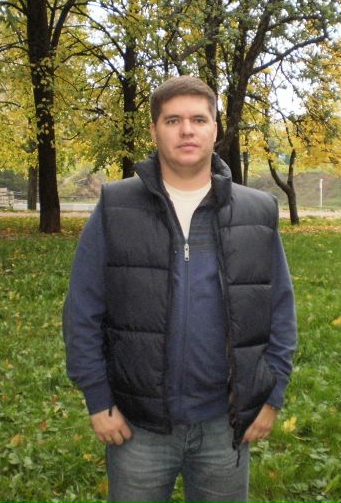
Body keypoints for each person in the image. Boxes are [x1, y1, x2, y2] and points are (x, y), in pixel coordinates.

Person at [63, 75, 297, 503]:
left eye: (198, 119)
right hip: (137, 424)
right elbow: (82, 311)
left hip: (226, 424)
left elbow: (280, 311)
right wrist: (98, 399)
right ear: (155, 130)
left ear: (214, 129)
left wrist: (271, 397)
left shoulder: (256, 211)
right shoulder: (116, 207)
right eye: (173, 120)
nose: (186, 130)